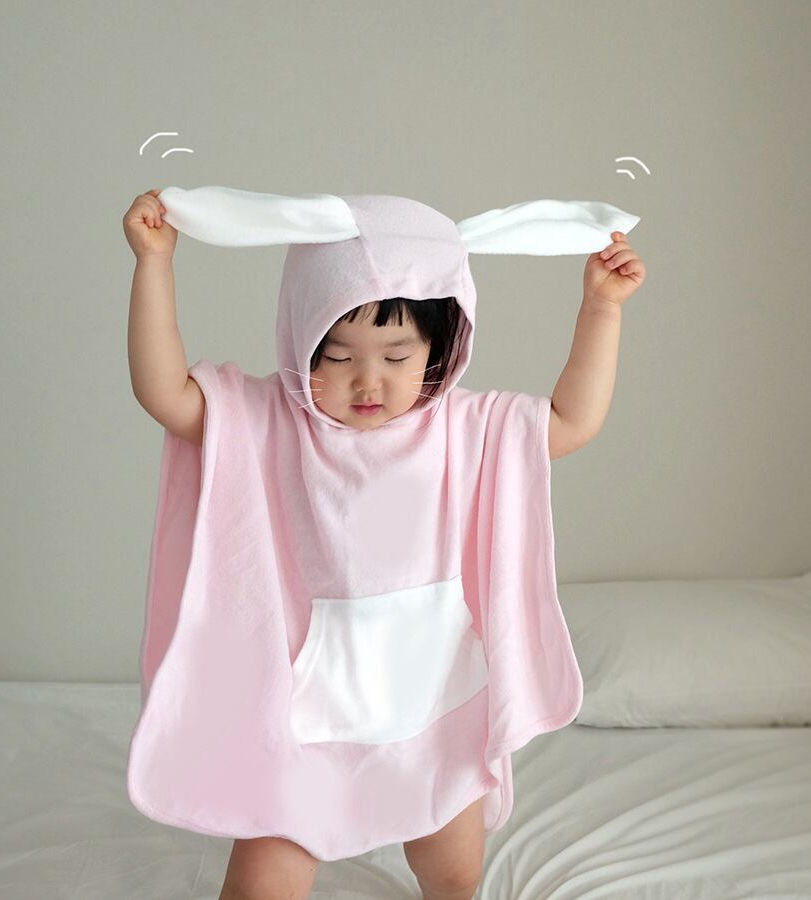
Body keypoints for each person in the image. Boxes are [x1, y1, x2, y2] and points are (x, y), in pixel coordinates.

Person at [122, 185, 646, 900]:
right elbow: (165, 393)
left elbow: (570, 420)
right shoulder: (267, 420)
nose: (369, 382)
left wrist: (601, 311)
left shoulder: (462, 427)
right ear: (299, 341)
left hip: (431, 700)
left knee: (455, 873)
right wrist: (154, 266)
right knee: (264, 883)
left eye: (398, 357)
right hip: (307, 713)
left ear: (441, 348)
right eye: (338, 358)